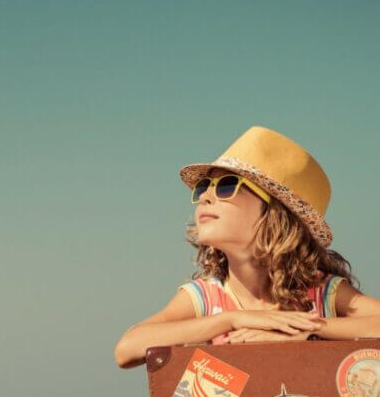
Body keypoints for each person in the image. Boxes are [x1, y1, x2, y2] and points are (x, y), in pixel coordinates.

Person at [114, 125, 380, 369]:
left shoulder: (321, 294)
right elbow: (127, 349)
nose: (205, 197)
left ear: (277, 213)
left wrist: (310, 330)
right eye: (204, 186)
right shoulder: (206, 298)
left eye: (227, 185)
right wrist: (232, 320)